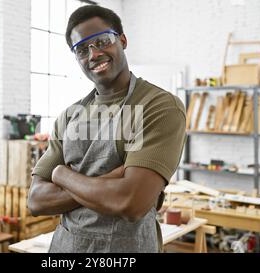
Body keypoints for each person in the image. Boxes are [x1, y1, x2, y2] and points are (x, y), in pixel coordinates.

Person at [27, 4, 186, 253]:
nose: (93, 54)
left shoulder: (159, 106)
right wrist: (108, 181)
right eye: (81, 49)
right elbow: (36, 200)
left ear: (122, 40)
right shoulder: (69, 117)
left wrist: (62, 176)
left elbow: (130, 201)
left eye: (102, 41)